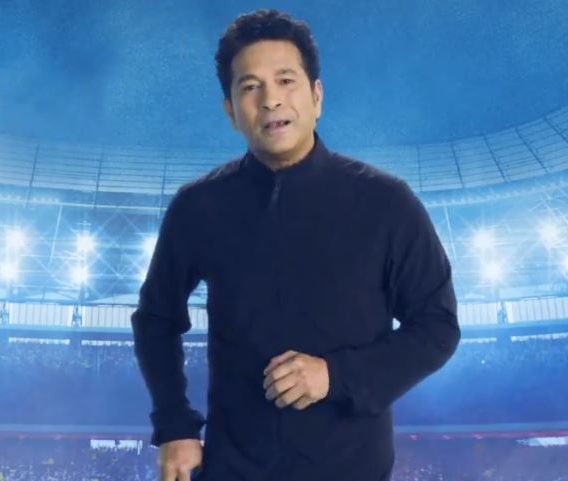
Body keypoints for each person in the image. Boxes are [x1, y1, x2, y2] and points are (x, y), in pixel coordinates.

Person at [130, 9, 461, 481]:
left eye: (286, 80)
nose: (270, 100)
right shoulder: (199, 207)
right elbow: (156, 319)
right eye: (250, 87)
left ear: (316, 96)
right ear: (231, 112)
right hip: (233, 468)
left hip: (351, 469)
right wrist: (175, 427)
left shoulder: (387, 203)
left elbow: (437, 326)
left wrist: (335, 376)